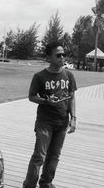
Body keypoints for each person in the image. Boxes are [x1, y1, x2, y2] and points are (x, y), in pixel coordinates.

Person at [23, 42, 77, 188]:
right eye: (58, 55)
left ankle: (46, 183)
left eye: (63, 54)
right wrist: (47, 101)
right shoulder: (40, 76)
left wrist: (73, 118)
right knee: (39, 156)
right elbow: (31, 96)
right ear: (49, 58)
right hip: (45, 122)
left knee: (54, 156)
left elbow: (72, 97)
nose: (62, 57)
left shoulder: (69, 75)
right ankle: (29, 185)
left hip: (62, 123)